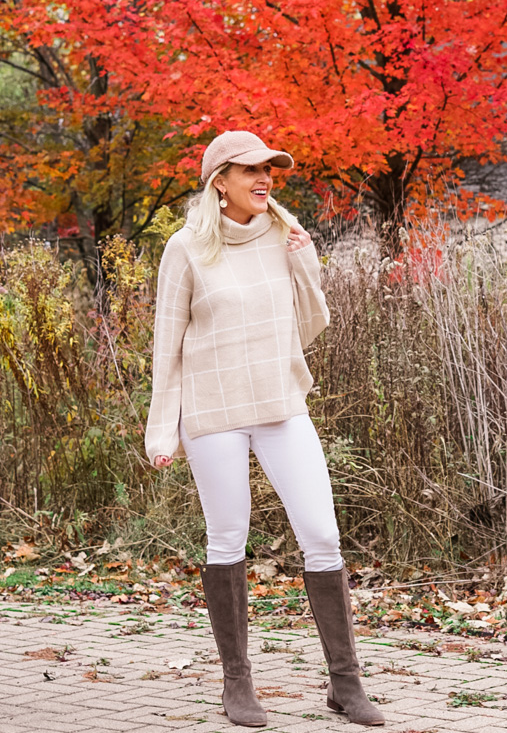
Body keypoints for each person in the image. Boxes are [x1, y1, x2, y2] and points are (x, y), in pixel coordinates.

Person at [144, 130, 385, 728]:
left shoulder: (283, 234)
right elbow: (165, 347)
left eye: (270, 169)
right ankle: (237, 684)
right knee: (227, 539)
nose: (264, 178)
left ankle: (345, 685)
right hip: (213, 411)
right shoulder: (186, 248)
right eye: (249, 169)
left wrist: (305, 257)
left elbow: (309, 324)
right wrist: (161, 428)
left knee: (322, 535)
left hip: (281, 404)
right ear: (219, 181)